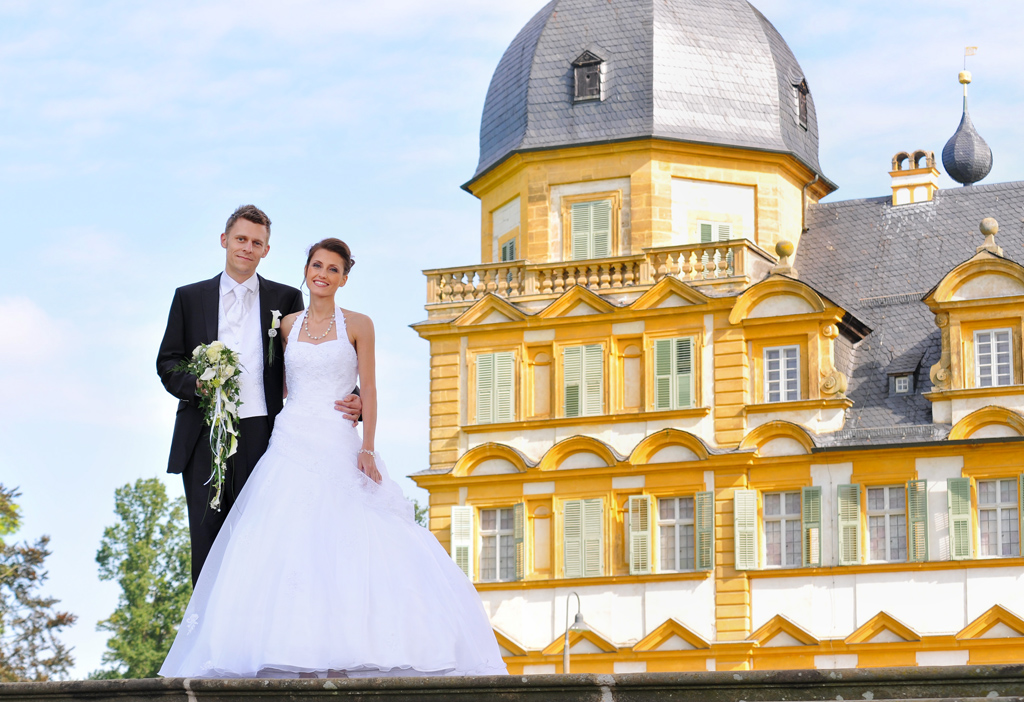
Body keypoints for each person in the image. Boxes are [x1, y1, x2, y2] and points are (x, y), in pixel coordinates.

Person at [159, 239, 507, 678]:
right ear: (306, 270)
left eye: (333, 269)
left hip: (338, 439)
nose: (322, 274)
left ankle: (350, 647)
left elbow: (371, 388)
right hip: (289, 438)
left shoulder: (360, 324)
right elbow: (275, 381)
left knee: (348, 536)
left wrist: (367, 445)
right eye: (317, 265)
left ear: (345, 277)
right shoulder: (284, 325)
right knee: (286, 538)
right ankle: (290, 649)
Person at [156, 206, 362, 585]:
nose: (247, 248)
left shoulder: (284, 300)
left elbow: (311, 353)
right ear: (224, 241)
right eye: (241, 239)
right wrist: (199, 384)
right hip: (203, 436)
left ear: (266, 250)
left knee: (259, 542)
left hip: (264, 437)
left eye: (257, 242)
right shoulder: (188, 297)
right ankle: (206, 640)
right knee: (206, 542)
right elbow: (167, 362)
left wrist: (356, 396)